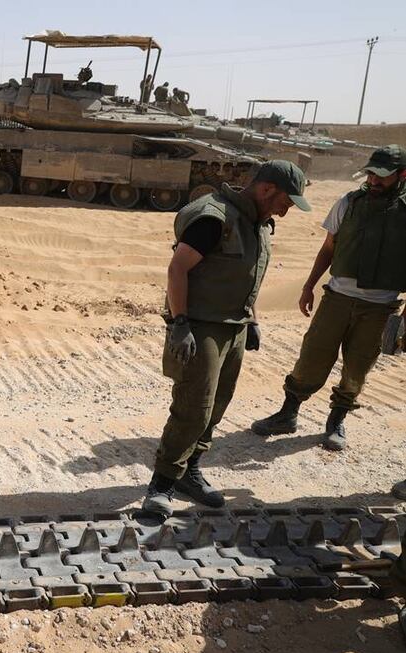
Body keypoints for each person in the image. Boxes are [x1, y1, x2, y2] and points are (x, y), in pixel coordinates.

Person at [141, 161, 311, 520]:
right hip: (201, 326)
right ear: (267, 190)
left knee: (218, 403)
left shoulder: (255, 222)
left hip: (233, 326)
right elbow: (178, 269)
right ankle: (162, 484)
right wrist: (180, 323)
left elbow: (242, 276)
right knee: (193, 406)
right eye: (287, 201)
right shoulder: (213, 217)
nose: (287, 209)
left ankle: (190, 471)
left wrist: (251, 320)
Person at [252, 146, 406, 455]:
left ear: (402, 176)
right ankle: (288, 413)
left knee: (357, 368)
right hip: (337, 297)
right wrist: (309, 285)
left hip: (380, 307)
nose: (374, 180)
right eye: (372, 174)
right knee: (312, 357)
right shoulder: (348, 203)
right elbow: (328, 248)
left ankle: (336, 421)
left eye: (383, 176)